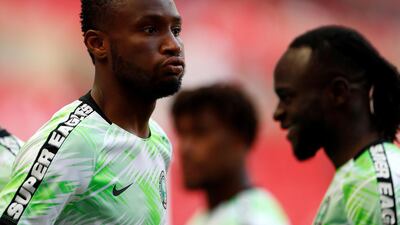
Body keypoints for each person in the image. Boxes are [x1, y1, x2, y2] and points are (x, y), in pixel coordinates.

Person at [0, 0, 184, 224]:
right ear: (98, 43)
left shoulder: (159, 140)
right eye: (150, 30)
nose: (173, 45)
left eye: (175, 30)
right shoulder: (75, 142)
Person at [273, 25, 400, 225]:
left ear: (338, 93)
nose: (277, 113)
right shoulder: (358, 178)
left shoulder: (375, 183)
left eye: (287, 97)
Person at [172, 84, 290, 225]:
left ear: (240, 139)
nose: (185, 148)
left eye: (200, 132)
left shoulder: (254, 220)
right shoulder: (204, 218)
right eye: (181, 134)